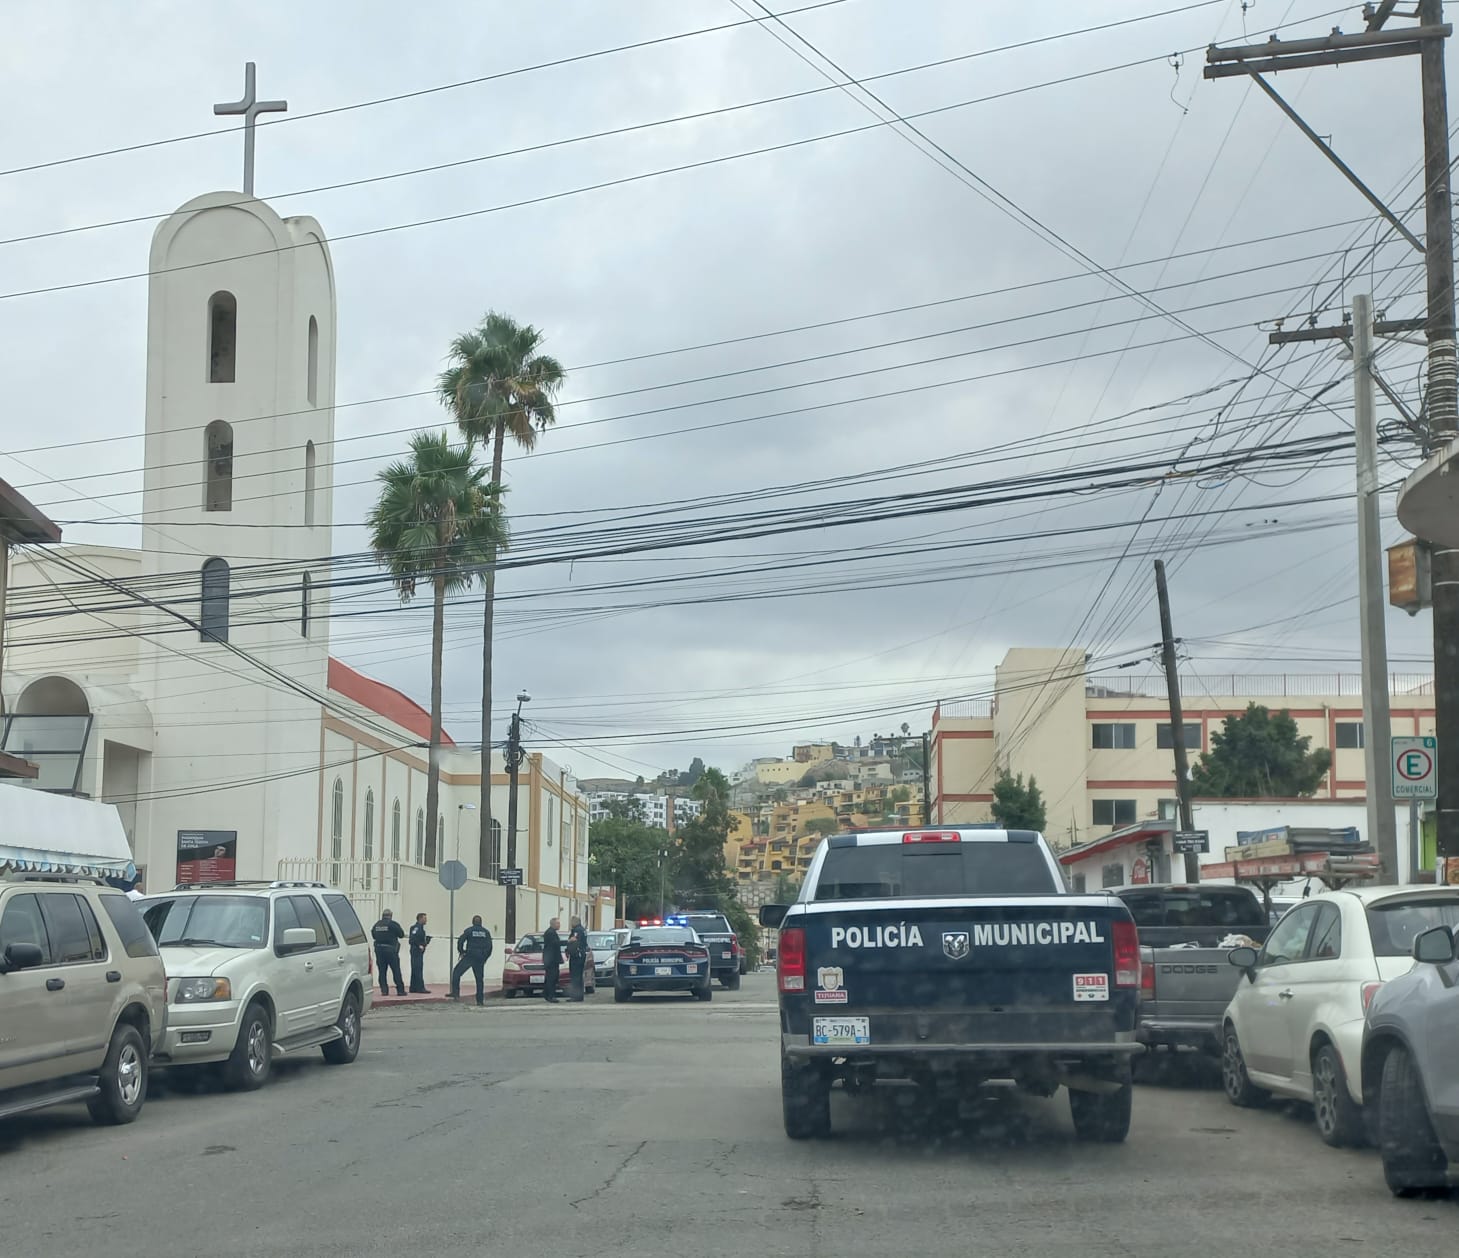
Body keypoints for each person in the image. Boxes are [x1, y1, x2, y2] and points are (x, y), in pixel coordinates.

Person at [450, 915, 494, 1005]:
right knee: (479, 980)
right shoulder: (486, 932)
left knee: (456, 973)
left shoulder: (469, 930)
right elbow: (490, 946)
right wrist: (485, 957)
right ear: (481, 922)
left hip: (470, 956)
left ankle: (456, 994)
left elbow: (460, 941)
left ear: (473, 922)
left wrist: (462, 951)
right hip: (480, 957)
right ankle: (480, 1000)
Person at [370, 909, 406, 997]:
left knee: (382, 971)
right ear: (391, 915)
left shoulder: (377, 924)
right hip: (391, 950)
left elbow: (373, 935)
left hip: (379, 950)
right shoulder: (393, 924)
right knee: (396, 970)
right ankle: (400, 991)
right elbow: (401, 934)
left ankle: (384, 991)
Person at [566, 916, 589, 1003]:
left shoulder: (577, 930)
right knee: (579, 977)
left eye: (571, 921)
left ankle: (575, 996)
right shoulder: (582, 929)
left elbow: (574, 940)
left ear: (575, 922)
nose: (570, 923)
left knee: (575, 976)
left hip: (577, 956)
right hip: (581, 955)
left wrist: (568, 942)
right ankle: (579, 996)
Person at [408, 912, 431, 994]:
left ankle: (413, 987)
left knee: (415, 968)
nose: (426, 920)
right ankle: (420, 988)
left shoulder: (420, 928)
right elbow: (412, 939)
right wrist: (419, 945)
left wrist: (426, 942)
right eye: (424, 918)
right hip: (416, 951)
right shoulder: (417, 928)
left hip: (417, 950)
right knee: (418, 968)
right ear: (420, 919)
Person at [542, 917, 563, 1003]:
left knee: (552, 977)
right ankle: (550, 996)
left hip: (552, 959)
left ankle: (547, 994)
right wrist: (568, 941)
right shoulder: (550, 933)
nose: (559, 925)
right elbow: (555, 943)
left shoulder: (553, 932)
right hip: (551, 960)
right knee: (552, 978)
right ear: (553, 924)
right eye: (557, 923)